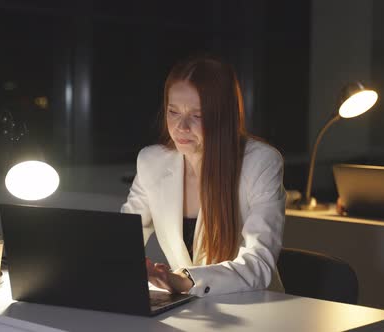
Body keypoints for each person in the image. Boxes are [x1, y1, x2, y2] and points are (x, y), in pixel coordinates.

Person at [121, 55, 286, 297]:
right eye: (173, 112)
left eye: (197, 116)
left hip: (254, 308)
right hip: (189, 310)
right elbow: (124, 239)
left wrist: (184, 280)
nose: (181, 127)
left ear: (223, 117)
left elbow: (258, 264)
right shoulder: (152, 161)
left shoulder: (261, 163)